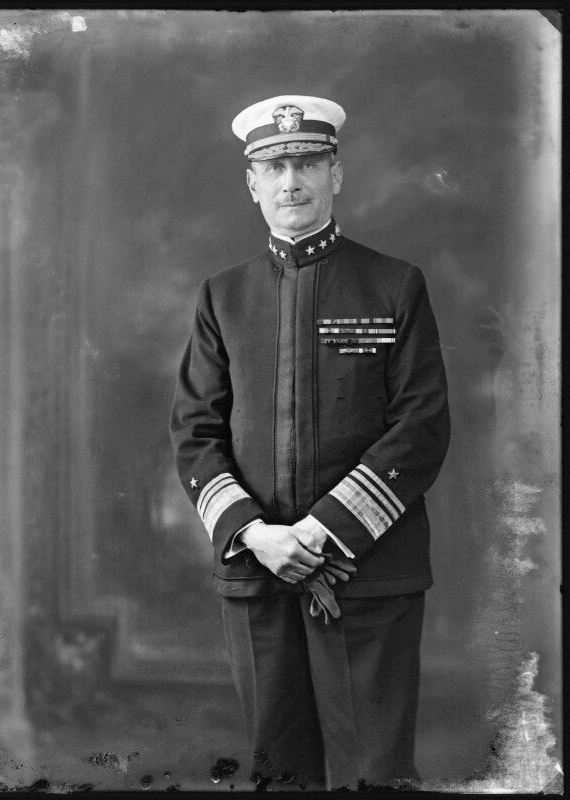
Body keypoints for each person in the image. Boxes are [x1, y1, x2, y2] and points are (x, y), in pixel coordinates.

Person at [169, 94, 450, 790]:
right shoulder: (222, 297)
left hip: (367, 572)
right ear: (252, 184)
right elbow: (195, 433)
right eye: (275, 167)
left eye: (307, 163)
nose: (290, 181)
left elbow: (420, 426)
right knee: (279, 773)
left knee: (374, 774)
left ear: (336, 174)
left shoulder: (394, 285)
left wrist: (323, 531)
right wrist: (255, 533)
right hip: (257, 569)